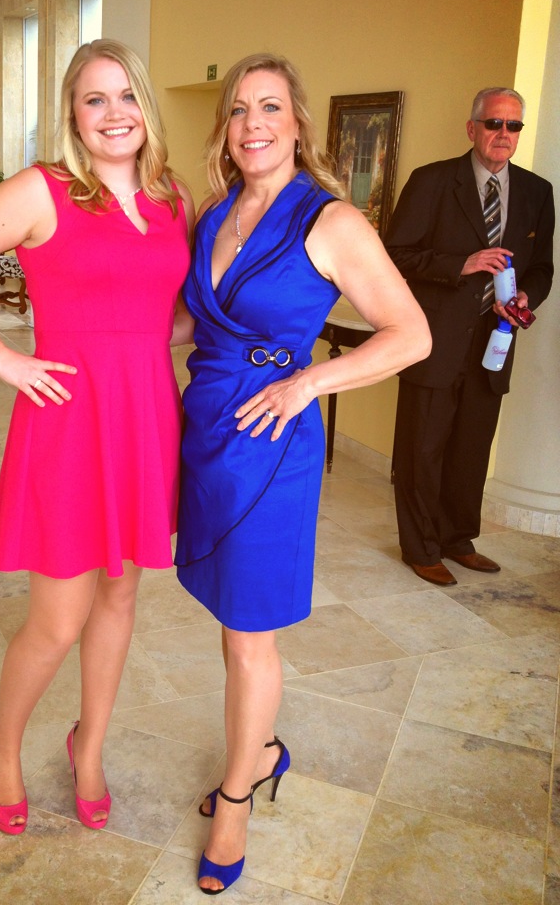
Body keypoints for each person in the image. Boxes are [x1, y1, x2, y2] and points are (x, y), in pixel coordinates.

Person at [0, 39, 193, 835]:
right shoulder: (43, 190)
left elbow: (170, 315)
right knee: (58, 618)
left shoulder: (172, 197)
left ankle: (89, 748)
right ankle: (4, 747)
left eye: (127, 95)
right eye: (95, 98)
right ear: (73, 112)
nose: (114, 113)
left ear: (146, 106)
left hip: (145, 414)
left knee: (121, 593)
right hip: (68, 419)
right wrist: (1, 357)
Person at [173, 53, 431, 894]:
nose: (253, 124)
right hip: (207, 430)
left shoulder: (332, 221)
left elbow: (412, 334)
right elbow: (188, 325)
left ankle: (237, 799)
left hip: (273, 440)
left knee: (253, 630)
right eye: (239, 109)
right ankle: (261, 750)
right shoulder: (216, 213)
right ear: (226, 126)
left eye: (270, 108)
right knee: (229, 615)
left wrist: (309, 382)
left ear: (298, 124)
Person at [385, 87, 554, 587]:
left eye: (513, 126)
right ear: (472, 128)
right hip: (434, 341)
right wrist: (463, 263)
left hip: (495, 341)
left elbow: (542, 267)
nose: (504, 134)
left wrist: (525, 296)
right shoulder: (432, 181)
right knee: (421, 450)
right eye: (494, 123)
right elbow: (394, 255)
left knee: (471, 450)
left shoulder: (537, 192)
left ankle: (458, 539)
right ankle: (420, 547)